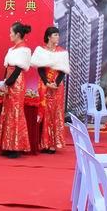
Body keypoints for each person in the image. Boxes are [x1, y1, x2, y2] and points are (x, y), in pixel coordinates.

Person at [0, 22, 33, 158]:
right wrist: (4, 82)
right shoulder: (12, 49)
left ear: (17, 34)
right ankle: (7, 145)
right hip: (9, 81)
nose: (9, 35)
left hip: (16, 83)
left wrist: (7, 82)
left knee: (15, 112)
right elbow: (8, 68)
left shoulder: (24, 50)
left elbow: (17, 70)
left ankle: (15, 147)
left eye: (11, 32)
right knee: (7, 112)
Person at [31, 26, 69, 154]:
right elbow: (40, 69)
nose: (57, 37)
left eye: (58, 35)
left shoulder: (62, 52)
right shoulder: (41, 51)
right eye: (55, 35)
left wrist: (55, 83)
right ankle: (42, 143)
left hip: (57, 86)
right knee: (44, 111)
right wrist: (47, 83)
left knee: (55, 113)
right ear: (48, 37)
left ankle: (52, 144)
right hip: (44, 85)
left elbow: (63, 70)